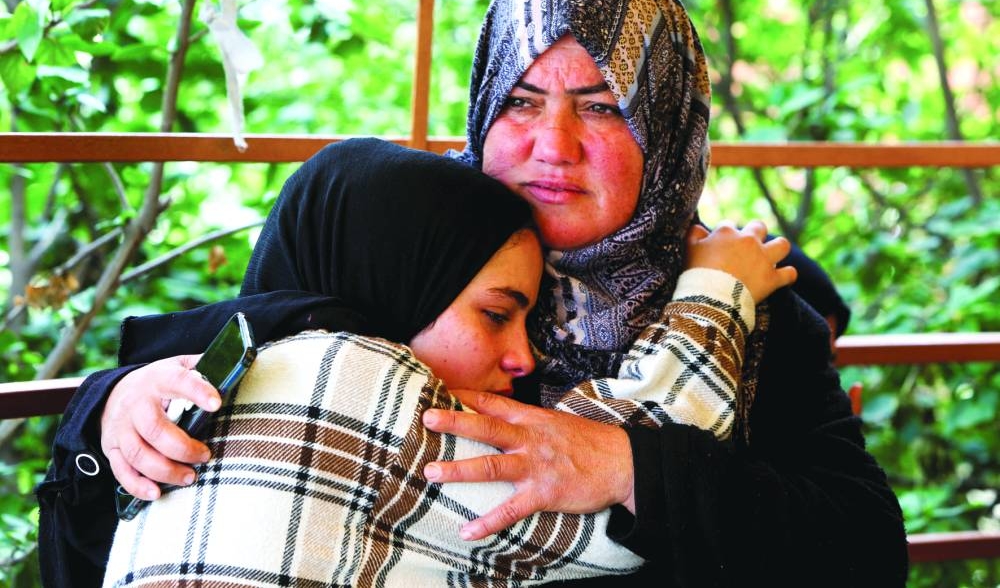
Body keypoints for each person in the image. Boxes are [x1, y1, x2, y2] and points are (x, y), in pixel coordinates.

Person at [44, 137, 793, 587]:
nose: (522, 356)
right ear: (394, 279)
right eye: (497, 313)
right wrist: (719, 288)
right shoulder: (351, 382)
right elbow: (624, 487)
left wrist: (101, 406)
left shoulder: (201, 386)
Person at [420, 0, 908, 586]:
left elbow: (866, 552)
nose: (553, 146)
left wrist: (629, 467)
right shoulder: (411, 246)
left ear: (667, 127)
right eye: (521, 100)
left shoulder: (758, 311)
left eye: (603, 107)